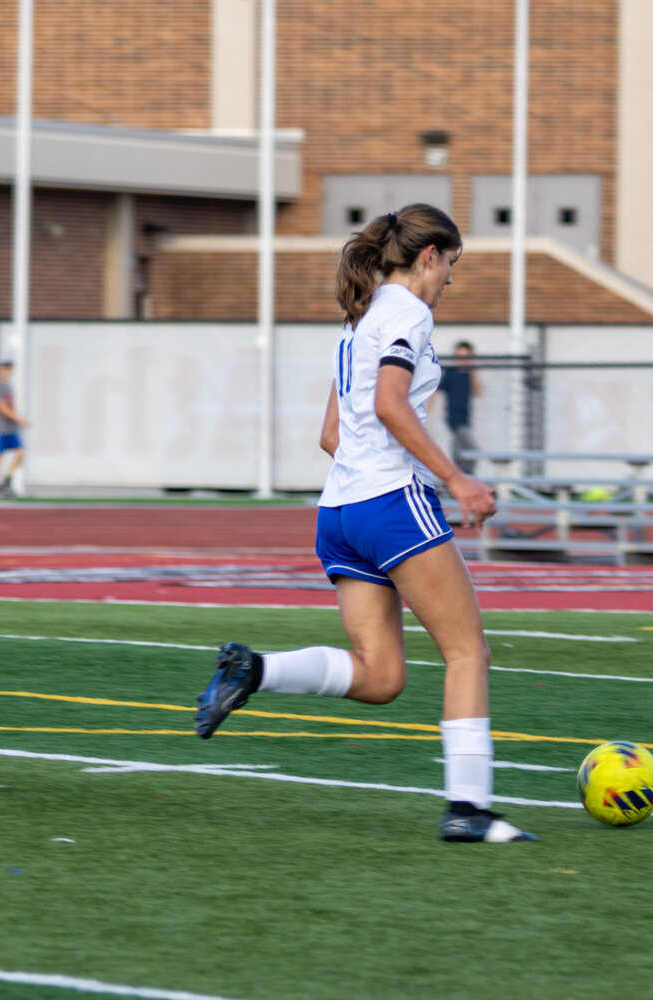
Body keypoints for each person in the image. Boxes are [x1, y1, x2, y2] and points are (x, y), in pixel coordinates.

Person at [193, 203, 535, 844]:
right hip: (389, 506)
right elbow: (389, 403)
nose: (450, 282)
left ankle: (254, 670)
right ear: (429, 255)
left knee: (381, 677)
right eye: (451, 266)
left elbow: (330, 434)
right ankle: (469, 811)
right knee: (468, 653)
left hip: (339, 512)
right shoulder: (409, 312)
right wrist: (454, 479)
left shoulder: (357, 322)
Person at [438, 340, 482, 475]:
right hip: (454, 418)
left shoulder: (469, 374)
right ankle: (465, 478)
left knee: (458, 451)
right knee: (471, 449)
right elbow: (436, 392)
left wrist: (472, 369)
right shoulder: (451, 372)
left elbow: (477, 391)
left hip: (465, 418)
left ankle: (460, 478)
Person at [0, 358, 29, 497]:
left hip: (11, 428)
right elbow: (1, 408)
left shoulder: (9, 386)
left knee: (20, 453)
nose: (5, 371)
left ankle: (6, 481)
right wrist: (19, 418)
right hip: (0, 428)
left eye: (7, 368)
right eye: (2, 368)